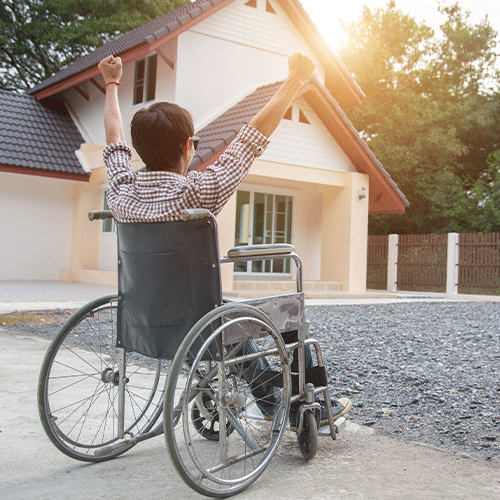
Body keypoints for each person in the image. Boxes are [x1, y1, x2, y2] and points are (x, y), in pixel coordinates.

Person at [98, 52, 351, 427]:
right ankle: (289, 407)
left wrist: (111, 84)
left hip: (144, 316)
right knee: (283, 312)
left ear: (140, 151)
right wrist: (295, 81)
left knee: (225, 316)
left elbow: (113, 138)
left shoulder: (121, 193)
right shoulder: (199, 191)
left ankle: (265, 399)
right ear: (189, 146)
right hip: (199, 320)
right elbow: (251, 138)